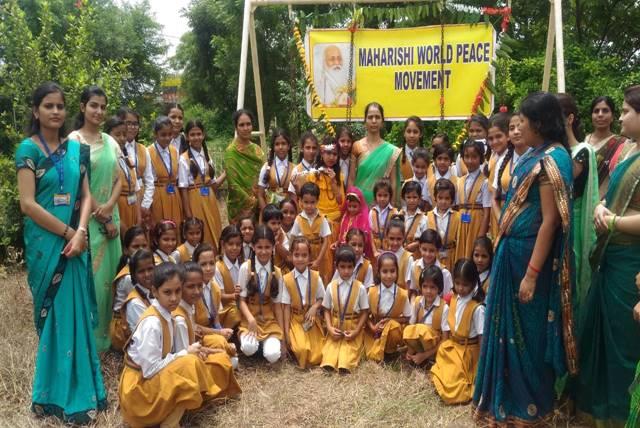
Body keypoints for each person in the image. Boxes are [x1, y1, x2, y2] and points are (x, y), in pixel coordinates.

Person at [473, 92, 576, 425]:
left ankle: (528, 408)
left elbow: (550, 221)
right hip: (512, 253)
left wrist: (532, 274)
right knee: (506, 333)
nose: (520, 126)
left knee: (527, 337)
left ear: (540, 124)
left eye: (524, 121)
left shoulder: (552, 159)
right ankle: (503, 401)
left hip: (530, 260)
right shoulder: (537, 153)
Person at [16, 82, 106, 423]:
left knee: (77, 316)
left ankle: (85, 392)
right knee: (54, 317)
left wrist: (82, 232)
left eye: (60, 106)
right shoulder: (28, 149)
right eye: (49, 106)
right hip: (47, 245)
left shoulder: (75, 149)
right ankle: (51, 394)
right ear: (36, 110)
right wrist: (70, 232)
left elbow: (85, 196)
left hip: (76, 242)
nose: (56, 112)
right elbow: (27, 204)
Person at [577, 85, 640, 425]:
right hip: (611, 258)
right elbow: (615, 194)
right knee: (601, 339)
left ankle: (622, 415)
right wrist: (602, 207)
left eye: (628, 111)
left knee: (624, 346)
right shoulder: (629, 150)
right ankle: (599, 413)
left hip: (631, 267)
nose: (623, 117)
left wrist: (613, 220)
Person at [118, 262, 226, 427]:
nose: (174, 298)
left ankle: (171, 418)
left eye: (178, 291)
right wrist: (184, 354)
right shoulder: (153, 323)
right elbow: (149, 370)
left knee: (191, 362)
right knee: (189, 363)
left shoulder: (167, 315)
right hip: (137, 391)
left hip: (146, 382)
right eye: (167, 292)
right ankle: (169, 423)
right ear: (154, 291)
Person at [68, 85, 123, 352]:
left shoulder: (111, 141)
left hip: (113, 219)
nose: (99, 111)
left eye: (103, 106)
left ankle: (112, 335)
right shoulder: (74, 141)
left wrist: (110, 208)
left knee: (112, 279)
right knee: (92, 281)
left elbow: (119, 179)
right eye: (93, 105)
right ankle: (91, 339)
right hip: (86, 222)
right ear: (82, 107)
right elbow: (78, 186)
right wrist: (102, 217)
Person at [557, 93, 598, 323]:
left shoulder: (582, 151)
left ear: (570, 118)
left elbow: (568, 185)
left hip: (575, 228)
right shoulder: (554, 152)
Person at [173, 262, 241, 397]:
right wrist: (213, 352)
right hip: (184, 366)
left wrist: (212, 349)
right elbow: (184, 357)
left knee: (224, 352)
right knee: (224, 359)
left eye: (199, 286)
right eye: (191, 287)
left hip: (194, 349)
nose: (197, 291)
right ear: (179, 288)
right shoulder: (179, 318)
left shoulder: (188, 305)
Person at [431, 259, 486, 404]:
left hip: (467, 352)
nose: (461, 288)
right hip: (453, 346)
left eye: (465, 284)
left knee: (453, 384)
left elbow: (482, 337)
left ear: (474, 283)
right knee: (442, 365)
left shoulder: (477, 308)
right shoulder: (454, 298)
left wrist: (480, 364)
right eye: (457, 283)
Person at [237, 225, 285, 363]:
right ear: (253, 247)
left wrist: (282, 340)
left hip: (269, 321)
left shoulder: (277, 272)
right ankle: (258, 345)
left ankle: (266, 344)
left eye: (267, 247)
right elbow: (241, 300)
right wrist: (250, 319)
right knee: (247, 348)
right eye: (259, 247)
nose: (263, 251)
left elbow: (277, 306)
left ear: (273, 247)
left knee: (273, 355)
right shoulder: (245, 268)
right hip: (250, 320)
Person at [321, 245, 369, 372]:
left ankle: (346, 359)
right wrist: (330, 328)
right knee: (328, 360)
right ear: (337, 266)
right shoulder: (331, 286)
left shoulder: (361, 288)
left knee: (345, 362)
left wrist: (356, 331)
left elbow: (364, 312)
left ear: (354, 267)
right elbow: (326, 309)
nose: (346, 271)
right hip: (335, 329)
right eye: (342, 267)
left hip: (351, 330)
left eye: (349, 267)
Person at [178, 120, 225, 247]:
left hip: (210, 200)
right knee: (200, 232)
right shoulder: (183, 159)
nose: (196, 137)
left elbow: (214, 184)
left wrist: (226, 173)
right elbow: (183, 189)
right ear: (187, 137)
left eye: (199, 134)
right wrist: (188, 216)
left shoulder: (207, 156)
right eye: (192, 135)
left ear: (203, 135)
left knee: (214, 231)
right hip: (195, 200)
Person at [281, 237, 326, 368]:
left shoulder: (316, 276)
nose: (300, 259)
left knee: (319, 353)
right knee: (302, 349)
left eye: (304, 255)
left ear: (309, 257)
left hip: (311, 319)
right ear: (291, 256)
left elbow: (322, 298)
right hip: (295, 319)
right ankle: (295, 343)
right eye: (297, 255)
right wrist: (286, 334)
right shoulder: (286, 279)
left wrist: (315, 307)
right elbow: (286, 307)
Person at [364, 252, 412, 362]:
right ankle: (378, 348)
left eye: (392, 271)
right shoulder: (372, 292)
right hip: (375, 330)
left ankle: (390, 351)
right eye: (385, 271)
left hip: (391, 332)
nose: (389, 276)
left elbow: (407, 317)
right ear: (379, 273)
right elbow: (365, 314)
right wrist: (372, 327)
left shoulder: (402, 294)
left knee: (393, 328)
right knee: (368, 352)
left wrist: (391, 320)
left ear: (397, 272)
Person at [353, 102, 402, 205]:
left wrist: (390, 209)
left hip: (381, 205)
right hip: (358, 204)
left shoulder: (391, 151)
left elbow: (393, 183)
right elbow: (351, 179)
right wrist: (351, 202)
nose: (374, 121)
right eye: (370, 117)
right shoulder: (357, 146)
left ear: (382, 122)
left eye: (377, 117)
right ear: (365, 121)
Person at [403, 265, 450, 366]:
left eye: (432, 287)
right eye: (425, 286)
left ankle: (428, 359)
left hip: (434, 346)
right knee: (409, 329)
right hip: (419, 344)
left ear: (439, 288)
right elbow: (411, 328)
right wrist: (410, 350)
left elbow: (445, 339)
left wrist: (424, 355)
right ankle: (414, 355)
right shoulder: (417, 302)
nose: (428, 291)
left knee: (421, 329)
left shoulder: (444, 308)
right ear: (421, 286)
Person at [117, 107, 154, 231]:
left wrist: (145, 205)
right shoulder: (114, 148)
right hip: (120, 199)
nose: (132, 127)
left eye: (135, 124)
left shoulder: (143, 149)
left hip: (141, 199)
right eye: (128, 123)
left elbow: (149, 180)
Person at [110, 249, 155, 351]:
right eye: (141, 271)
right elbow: (148, 336)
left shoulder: (154, 290)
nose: (147, 274)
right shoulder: (135, 303)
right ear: (133, 275)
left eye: (150, 269)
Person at [224, 109, 265, 222]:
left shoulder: (257, 150)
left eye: (248, 124)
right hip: (239, 207)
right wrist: (252, 202)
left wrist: (261, 199)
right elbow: (233, 184)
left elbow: (263, 177)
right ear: (236, 128)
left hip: (259, 204)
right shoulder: (231, 152)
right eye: (241, 125)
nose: (246, 128)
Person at [585, 95, 628, 198]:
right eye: (596, 111)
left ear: (612, 116)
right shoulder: (584, 141)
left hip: (606, 202)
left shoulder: (622, 144)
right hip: (582, 200)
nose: (600, 115)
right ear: (591, 115)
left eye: (605, 111)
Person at [455, 139, 491, 261]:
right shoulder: (459, 181)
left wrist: (481, 236)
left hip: (476, 221)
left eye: (474, 157)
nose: (470, 161)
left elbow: (487, 212)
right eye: (467, 157)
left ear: (481, 158)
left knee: (472, 254)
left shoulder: (485, 182)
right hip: (461, 221)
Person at [289, 182, 332, 282]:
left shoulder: (322, 219)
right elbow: (292, 237)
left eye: (312, 202)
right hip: (304, 255)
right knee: (305, 279)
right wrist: (291, 255)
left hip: (320, 256)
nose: (309, 206)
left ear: (317, 201)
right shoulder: (299, 219)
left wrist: (318, 260)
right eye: (306, 202)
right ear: (301, 201)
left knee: (320, 280)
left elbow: (326, 240)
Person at [147, 116, 183, 232]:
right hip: (157, 195)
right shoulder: (148, 152)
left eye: (170, 134)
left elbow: (177, 177)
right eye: (163, 135)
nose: (167, 138)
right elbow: (148, 181)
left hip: (173, 194)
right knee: (160, 228)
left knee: (175, 227)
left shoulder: (174, 151)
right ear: (155, 134)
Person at [106, 116, 140, 235]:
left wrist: (139, 218)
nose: (122, 138)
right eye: (117, 134)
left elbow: (136, 189)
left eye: (124, 135)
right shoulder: (106, 162)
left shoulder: (126, 158)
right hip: (118, 209)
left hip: (133, 207)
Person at [492, 113, 528, 214]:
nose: (516, 132)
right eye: (512, 128)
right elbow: (494, 199)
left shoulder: (537, 158)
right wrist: (501, 221)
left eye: (520, 127)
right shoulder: (503, 161)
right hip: (504, 221)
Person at [112, 226, 149, 316]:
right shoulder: (128, 277)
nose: (141, 250)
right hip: (124, 324)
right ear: (126, 250)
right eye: (136, 247)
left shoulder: (143, 268)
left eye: (144, 246)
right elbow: (142, 301)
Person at [406, 229, 453, 299]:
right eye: (424, 249)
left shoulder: (444, 273)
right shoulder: (414, 266)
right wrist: (413, 305)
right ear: (419, 247)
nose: (427, 254)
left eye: (431, 251)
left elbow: (447, 297)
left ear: (437, 251)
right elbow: (413, 290)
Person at [426, 178, 460, 272]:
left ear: (452, 200)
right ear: (435, 198)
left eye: (447, 198)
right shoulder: (428, 216)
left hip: (451, 257)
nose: (443, 201)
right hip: (433, 257)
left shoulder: (457, 217)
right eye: (440, 198)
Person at [213, 225, 243, 330]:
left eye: (238, 244)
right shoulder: (218, 267)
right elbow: (220, 296)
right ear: (223, 244)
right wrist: (235, 295)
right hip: (227, 310)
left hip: (242, 303)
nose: (234, 248)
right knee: (235, 312)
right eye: (230, 244)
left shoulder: (243, 264)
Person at [486, 113, 511, 239]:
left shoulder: (515, 157)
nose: (494, 142)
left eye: (498, 136)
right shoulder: (497, 159)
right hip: (498, 215)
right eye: (491, 138)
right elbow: (494, 197)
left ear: (508, 136)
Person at [258, 129, 294, 210]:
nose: (280, 147)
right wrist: (267, 214)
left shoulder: (294, 169)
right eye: (277, 144)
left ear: (288, 146)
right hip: (271, 215)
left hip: (288, 214)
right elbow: (260, 195)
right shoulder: (266, 167)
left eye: (283, 143)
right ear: (273, 147)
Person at [370, 179, 399, 255]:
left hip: (391, 249)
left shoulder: (395, 212)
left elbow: (397, 233)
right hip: (375, 250)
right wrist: (374, 251)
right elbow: (369, 234)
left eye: (385, 195)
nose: (382, 198)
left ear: (390, 196)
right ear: (375, 196)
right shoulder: (372, 212)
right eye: (379, 195)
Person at [400, 180, 427, 257]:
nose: (411, 200)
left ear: (419, 198)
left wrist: (416, 244)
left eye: (415, 197)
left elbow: (425, 239)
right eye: (408, 197)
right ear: (403, 197)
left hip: (416, 254)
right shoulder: (398, 215)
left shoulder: (424, 218)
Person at [385, 217, 412, 290]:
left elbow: (408, 286)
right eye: (391, 238)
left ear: (403, 238)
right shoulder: (384, 256)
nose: (395, 243)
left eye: (399, 239)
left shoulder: (408, 258)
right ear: (386, 237)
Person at [289, 131, 319, 196]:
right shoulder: (296, 170)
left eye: (314, 148)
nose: (311, 151)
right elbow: (292, 195)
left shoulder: (319, 169)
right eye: (308, 148)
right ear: (302, 149)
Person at [399, 116, 425, 181]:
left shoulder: (426, 155)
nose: (412, 135)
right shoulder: (397, 155)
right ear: (404, 133)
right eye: (408, 131)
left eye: (415, 132)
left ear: (420, 134)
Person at [336, 126, 355, 191]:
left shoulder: (354, 162)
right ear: (337, 142)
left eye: (348, 141)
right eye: (342, 141)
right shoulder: (333, 161)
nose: (346, 144)